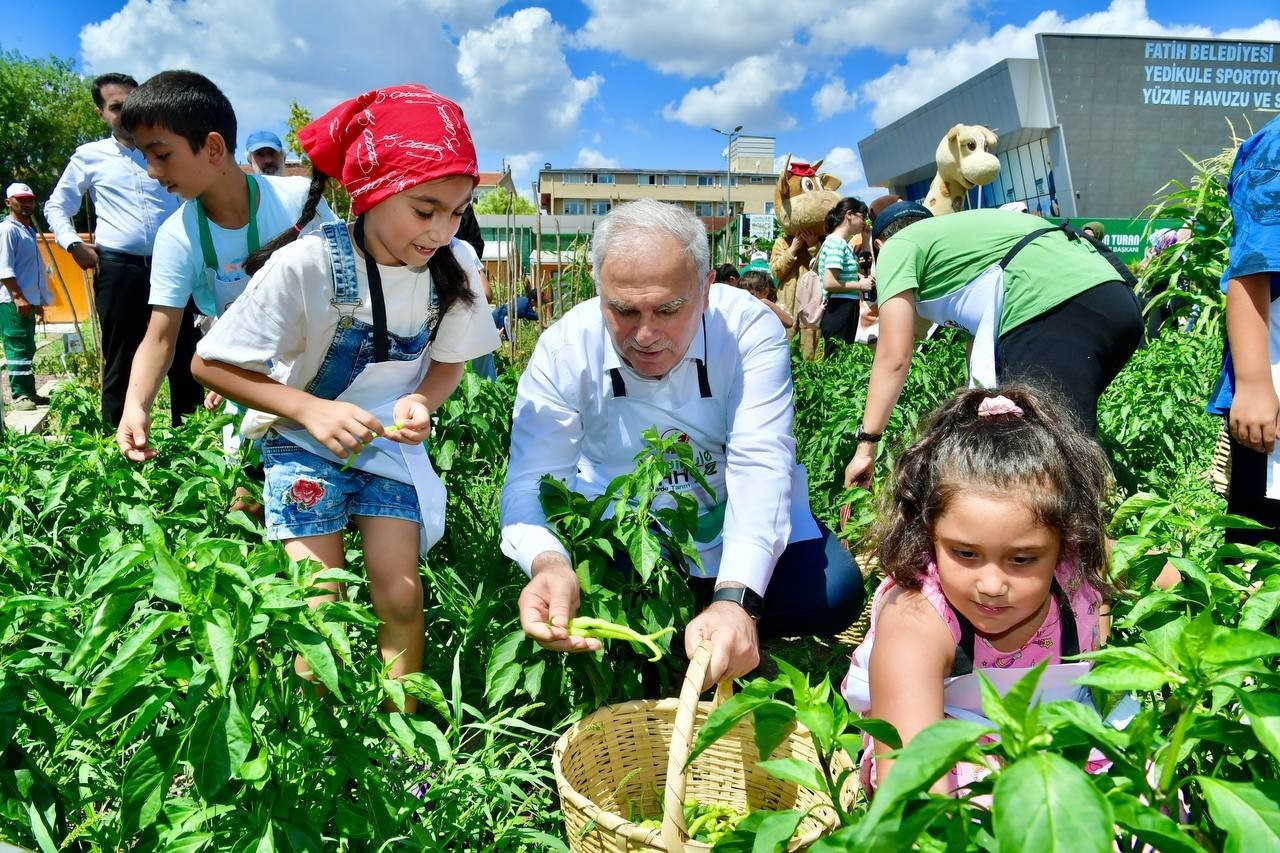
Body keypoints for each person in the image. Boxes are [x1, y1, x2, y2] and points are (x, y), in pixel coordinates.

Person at [192, 84, 499, 708]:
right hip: (302, 440)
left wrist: (424, 404)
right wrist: (309, 408)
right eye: (425, 209)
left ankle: (401, 737)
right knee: (320, 603)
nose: (441, 229)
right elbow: (210, 363)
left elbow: (447, 364)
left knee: (401, 593)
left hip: (385, 443)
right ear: (373, 192)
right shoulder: (306, 264)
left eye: (457, 211)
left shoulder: (458, 263)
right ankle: (320, 741)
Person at [503, 199, 864, 690]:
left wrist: (737, 599)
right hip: (627, 526)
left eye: (669, 310)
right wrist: (549, 561)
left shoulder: (746, 330)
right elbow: (530, 481)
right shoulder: (566, 349)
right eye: (624, 310)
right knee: (593, 586)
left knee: (832, 592)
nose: (646, 335)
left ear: (707, 289)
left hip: (724, 505)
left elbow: (760, 464)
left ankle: (721, 623)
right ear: (598, 291)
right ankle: (684, 631)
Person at [842, 385, 1116, 794]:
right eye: (965, 554)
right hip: (951, 741)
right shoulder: (919, 617)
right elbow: (915, 786)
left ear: (1068, 541)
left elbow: (1161, 574)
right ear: (928, 533)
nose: (991, 585)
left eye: (1022, 559)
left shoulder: (1080, 566)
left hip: (1055, 729)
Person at [843, 203, 1143, 492]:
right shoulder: (961, 242)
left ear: (879, 245)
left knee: (1041, 464)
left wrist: (867, 446)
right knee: (1059, 445)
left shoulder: (898, 246)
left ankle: (1086, 539)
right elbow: (982, 348)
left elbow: (893, 356)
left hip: (1054, 307)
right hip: (1116, 303)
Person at [115, 70, 335, 462]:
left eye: (162, 155)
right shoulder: (178, 236)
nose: (152, 171)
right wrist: (136, 405)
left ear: (213, 148)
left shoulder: (298, 200)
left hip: (327, 373)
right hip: (251, 384)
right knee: (245, 498)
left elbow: (350, 278)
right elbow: (160, 337)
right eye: (145, 157)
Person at [44, 72, 200, 428]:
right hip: (119, 269)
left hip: (175, 264)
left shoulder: (166, 150)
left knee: (185, 352)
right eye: (117, 107)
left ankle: (191, 444)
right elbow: (56, 207)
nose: (126, 112)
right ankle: (118, 443)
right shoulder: (90, 156)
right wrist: (72, 245)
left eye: (132, 103)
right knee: (121, 358)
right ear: (101, 113)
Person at [1207, 114, 1280, 547]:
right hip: (1274, 385)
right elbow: (1252, 271)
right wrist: (1254, 386)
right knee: (1259, 560)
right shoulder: (1276, 148)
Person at [0, 184, 53, 411]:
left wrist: (37, 301)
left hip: (26, 300)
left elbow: (35, 271)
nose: (27, 203)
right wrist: (18, 297)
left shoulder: (28, 231)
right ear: (8, 202)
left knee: (27, 346)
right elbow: (4, 269)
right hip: (13, 301)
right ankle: (20, 395)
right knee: (17, 347)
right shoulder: (7, 230)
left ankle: (29, 391)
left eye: (30, 199)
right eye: (21, 199)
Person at [818, 197, 873, 357]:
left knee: (841, 357)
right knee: (835, 360)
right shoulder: (836, 243)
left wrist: (867, 239)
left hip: (845, 306)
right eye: (862, 217)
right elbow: (829, 283)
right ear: (849, 215)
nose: (864, 222)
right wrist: (860, 286)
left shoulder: (842, 244)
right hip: (839, 308)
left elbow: (863, 268)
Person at [738, 268, 794, 334]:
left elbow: (789, 322)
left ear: (765, 292)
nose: (747, 296)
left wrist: (767, 303)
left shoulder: (774, 306)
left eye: (751, 294)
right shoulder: (743, 306)